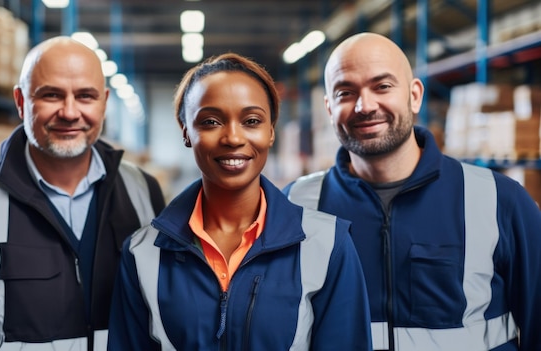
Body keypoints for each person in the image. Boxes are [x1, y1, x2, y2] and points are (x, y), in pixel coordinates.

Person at [284, 32, 541, 351]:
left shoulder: (500, 201)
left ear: (415, 95)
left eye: (382, 86)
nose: (365, 106)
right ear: (329, 107)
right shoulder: (294, 206)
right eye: (345, 92)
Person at [107, 53, 372, 350]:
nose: (233, 137)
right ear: (186, 132)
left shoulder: (328, 245)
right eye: (210, 121)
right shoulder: (142, 254)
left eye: (251, 121)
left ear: (271, 131)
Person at [0, 36, 165, 350]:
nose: (70, 112)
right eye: (52, 95)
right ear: (21, 102)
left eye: (85, 96)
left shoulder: (143, 190)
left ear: (103, 102)